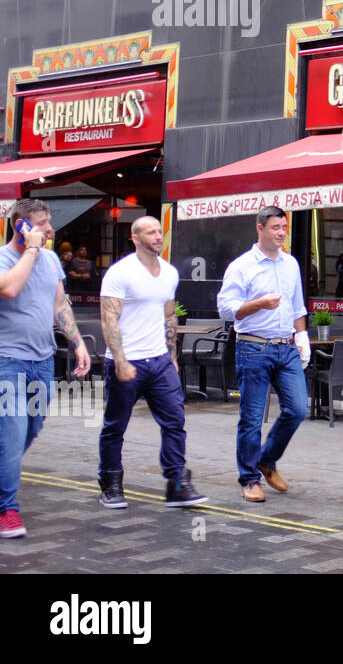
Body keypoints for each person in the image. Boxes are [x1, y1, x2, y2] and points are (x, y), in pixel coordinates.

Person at [97, 216, 206, 509]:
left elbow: (169, 314)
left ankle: (177, 484)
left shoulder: (169, 273)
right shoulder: (120, 273)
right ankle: (110, 482)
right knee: (115, 425)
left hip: (159, 361)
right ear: (135, 238)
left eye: (160, 231)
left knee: (175, 421)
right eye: (151, 232)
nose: (158, 236)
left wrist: (171, 355)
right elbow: (109, 319)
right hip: (126, 360)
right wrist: (119, 360)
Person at [0, 200, 91, 538]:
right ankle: (6, 509)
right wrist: (31, 251)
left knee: (29, 430)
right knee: (10, 436)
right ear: (20, 227)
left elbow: (59, 303)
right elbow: (9, 289)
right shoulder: (6, 258)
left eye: (50, 223)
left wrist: (77, 342)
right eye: (41, 225)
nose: (50, 231)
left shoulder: (52, 259)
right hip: (7, 361)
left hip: (42, 361)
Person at [217, 206, 310, 503]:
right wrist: (258, 304)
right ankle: (249, 478)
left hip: (287, 346)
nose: (281, 233)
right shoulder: (242, 266)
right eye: (275, 227)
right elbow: (225, 308)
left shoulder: (291, 263)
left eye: (284, 227)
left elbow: (297, 306)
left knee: (297, 409)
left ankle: (266, 459)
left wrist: (303, 336)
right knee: (252, 418)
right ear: (260, 228)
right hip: (253, 346)